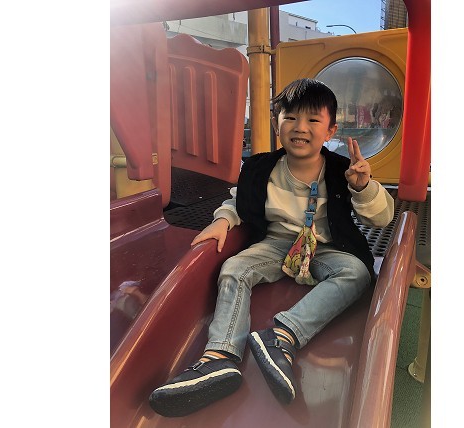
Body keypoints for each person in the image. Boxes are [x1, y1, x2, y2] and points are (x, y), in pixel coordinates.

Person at [148, 78, 395, 417]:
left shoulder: (343, 171)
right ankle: (220, 356)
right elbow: (241, 201)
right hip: (277, 244)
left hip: (326, 246)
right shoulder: (261, 168)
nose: (300, 127)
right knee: (234, 268)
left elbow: (381, 218)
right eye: (290, 117)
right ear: (277, 124)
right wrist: (223, 220)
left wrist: (364, 187)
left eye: (312, 119)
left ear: (330, 130)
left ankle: (282, 335)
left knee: (356, 273)